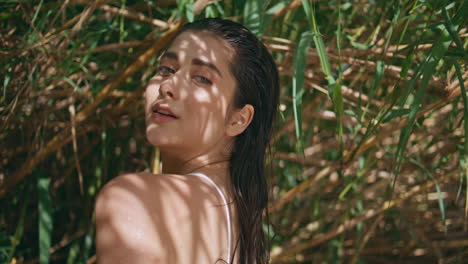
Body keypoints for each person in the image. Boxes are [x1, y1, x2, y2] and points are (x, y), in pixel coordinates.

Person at [95, 18, 279, 264]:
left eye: (201, 78)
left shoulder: (134, 201)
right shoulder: (239, 229)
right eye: (166, 69)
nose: (168, 86)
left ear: (238, 119)